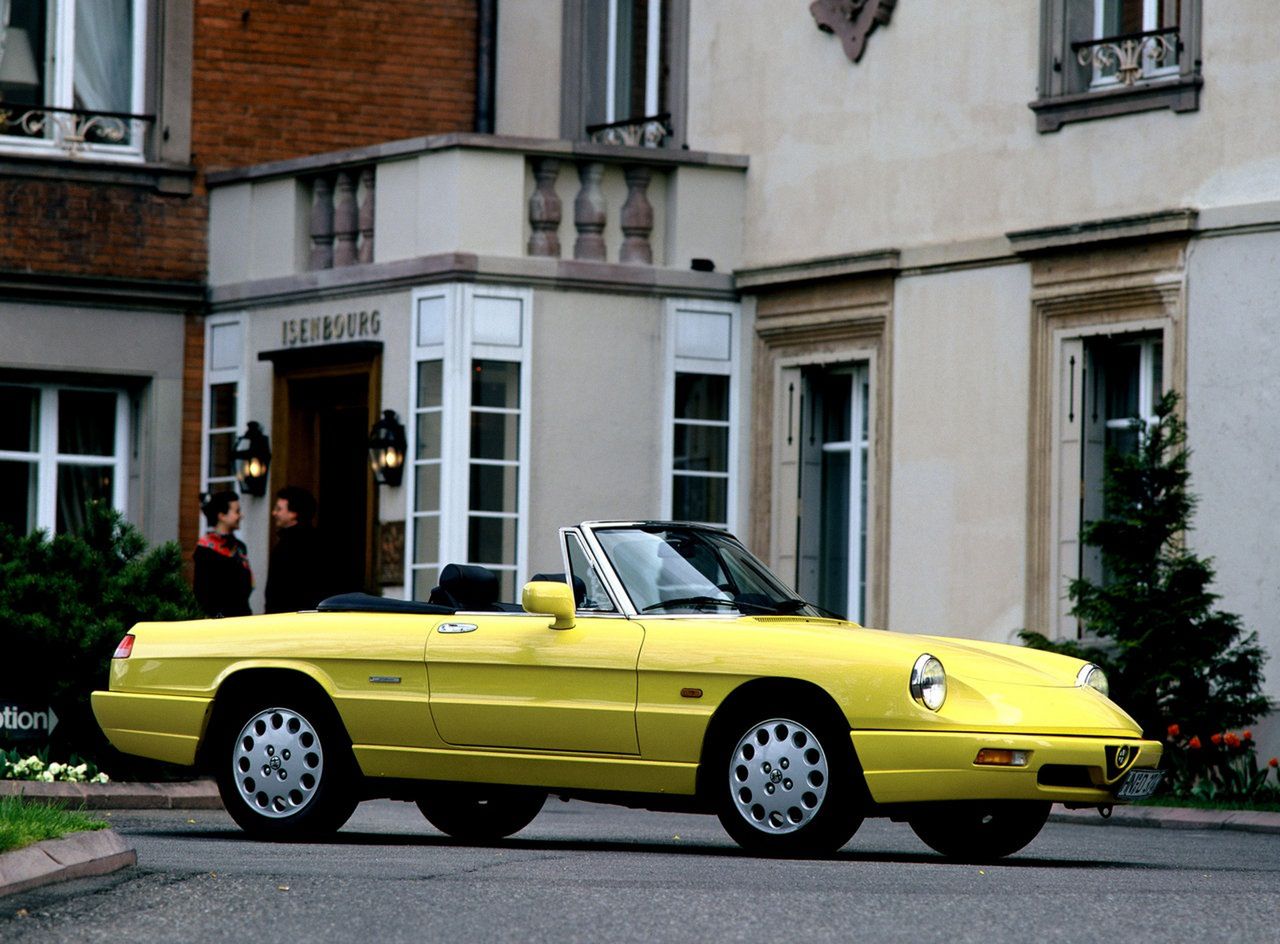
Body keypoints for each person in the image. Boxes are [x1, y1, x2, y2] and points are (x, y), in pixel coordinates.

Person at [264, 485, 325, 613]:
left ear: (293, 513)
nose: (274, 513)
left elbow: (279, 591)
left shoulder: (289, 545)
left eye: (279, 509)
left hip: (289, 618)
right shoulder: (316, 541)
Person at [193, 490, 253, 618]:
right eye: (237, 511)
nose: (241, 515)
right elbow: (202, 593)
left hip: (242, 618)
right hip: (220, 622)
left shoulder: (240, 547)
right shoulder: (205, 550)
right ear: (222, 516)